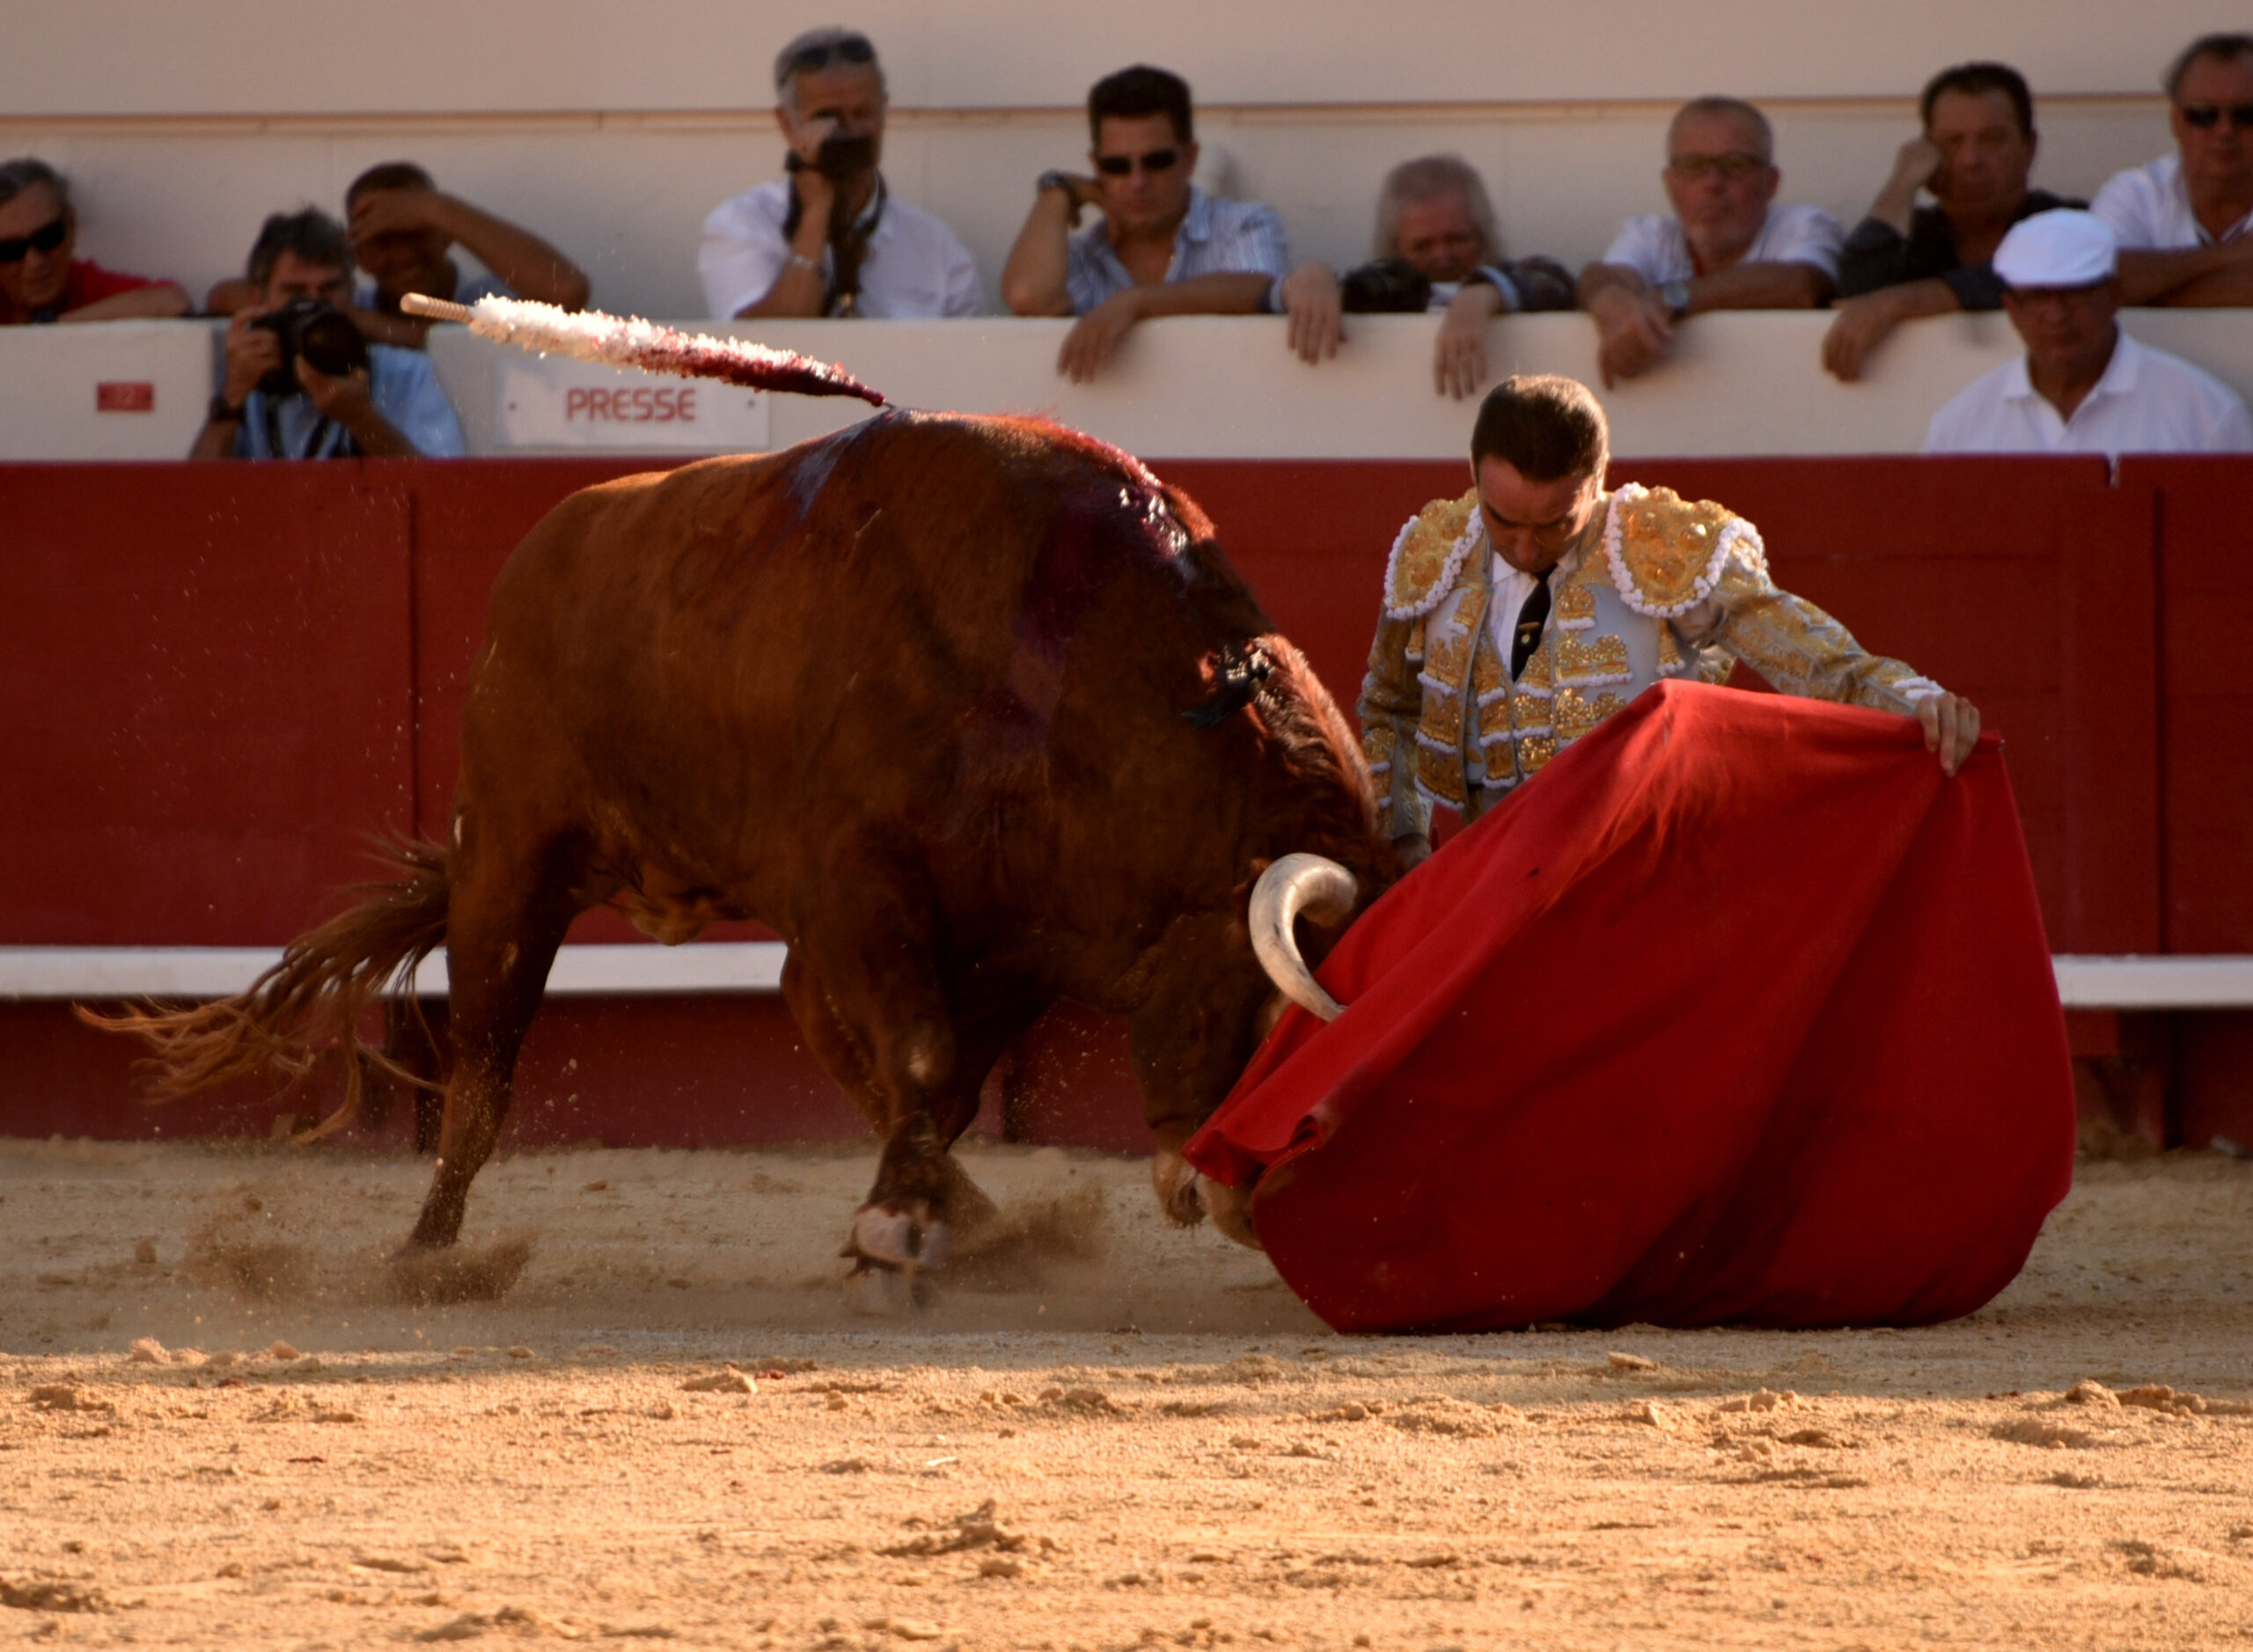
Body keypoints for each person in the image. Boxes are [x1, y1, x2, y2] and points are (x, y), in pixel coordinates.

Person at [1360, 374, 1977, 868]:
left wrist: (1913, 699)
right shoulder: (1436, 555)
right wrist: (1402, 835)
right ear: (1472, 473)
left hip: (1646, 874)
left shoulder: (1663, 549)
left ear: (1598, 479)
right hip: (1489, 882)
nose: (1524, 548)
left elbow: (1810, 656)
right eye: (1503, 520)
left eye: (1553, 524)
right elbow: (1390, 709)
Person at [1001, 64, 1289, 382]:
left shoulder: (1242, 225)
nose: (1137, 181)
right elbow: (1027, 297)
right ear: (1095, 166)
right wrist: (1058, 191)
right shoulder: (1080, 259)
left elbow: (1264, 290)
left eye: (1157, 161)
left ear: (1190, 159)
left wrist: (1136, 302)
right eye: (1117, 166)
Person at [698, 27, 981, 321]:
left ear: (883, 110)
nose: (849, 131)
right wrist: (816, 212)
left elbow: (972, 349)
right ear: (787, 124)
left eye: (862, 113)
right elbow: (772, 340)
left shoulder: (936, 247)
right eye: (827, 117)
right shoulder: (743, 225)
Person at [1824, 63, 2081, 382]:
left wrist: (1903, 301)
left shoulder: (2069, 223)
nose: (1970, 160)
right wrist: (1903, 182)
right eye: (1952, 142)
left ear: (2029, 148)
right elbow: (1856, 294)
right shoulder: (1913, 238)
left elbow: (2040, 275)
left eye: (1991, 140)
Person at [1923, 209, 2253, 456]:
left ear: (2114, 295)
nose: (2057, 315)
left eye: (2075, 293)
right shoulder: (1959, 428)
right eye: (2038, 297)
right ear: (2012, 309)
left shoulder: (2206, 415)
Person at [1578, 98, 1843, 386]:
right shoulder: (1651, 234)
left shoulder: (1804, 225)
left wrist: (1671, 299)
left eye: (1736, 164)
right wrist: (1610, 301)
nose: (1713, 182)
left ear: (1771, 182)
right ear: (1670, 183)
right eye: (1693, 166)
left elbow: (1803, 286)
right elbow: (1604, 275)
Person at [1274, 154, 1575, 396]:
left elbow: (1556, 281)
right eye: (1422, 246)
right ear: (1394, 247)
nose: (1442, 256)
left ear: (1482, 235)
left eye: (1457, 239)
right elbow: (1347, 291)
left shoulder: (1516, 280)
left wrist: (1480, 297)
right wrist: (1311, 276)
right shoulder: (1385, 288)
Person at [189, 209, 466, 462]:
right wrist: (232, 398)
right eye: (295, 292)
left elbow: (439, 487)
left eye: (330, 289)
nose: (314, 304)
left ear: (351, 292)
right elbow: (198, 492)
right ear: (258, 299)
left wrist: (362, 419)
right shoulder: (244, 376)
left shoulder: (404, 373)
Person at [2090, 33, 2253, 306]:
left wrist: (2152, 291)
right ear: (2176, 122)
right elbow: (2101, 282)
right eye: (2203, 115)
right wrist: (2234, 255)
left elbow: (2112, 290)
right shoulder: (2134, 193)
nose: (2225, 130)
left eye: (2246, 115)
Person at [0, 158, 187, 326]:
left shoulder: (84, 284)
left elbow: (172, 302)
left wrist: (49, 326)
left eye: (48, 237)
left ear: (71, 225)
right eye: (11, 249)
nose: (35, 262)